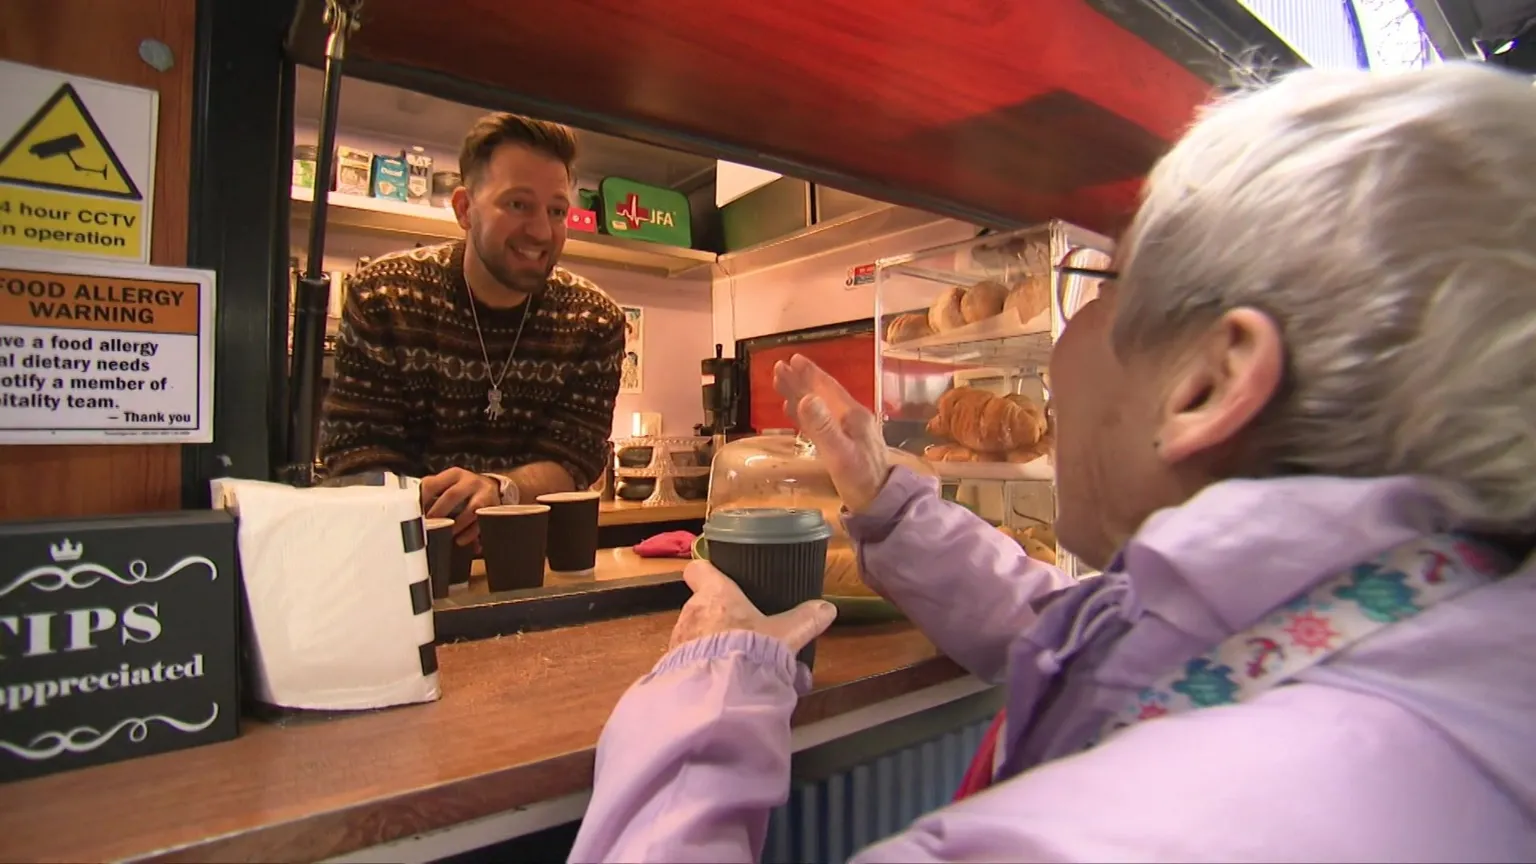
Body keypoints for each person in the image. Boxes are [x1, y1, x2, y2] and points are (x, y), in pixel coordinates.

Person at [569, 63, 1536, 861]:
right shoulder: (1421, 635)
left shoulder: (1080, 841)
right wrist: (893, 504)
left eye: (1102, 283)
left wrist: (706, 690)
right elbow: (1094, 636)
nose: (1064, 347)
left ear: (1208, 383)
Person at [318, 113, 624, 548]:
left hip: (530, 562)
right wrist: (435, 503)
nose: (541, 231)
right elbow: (353, 453)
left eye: (557, 211)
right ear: (464, 209)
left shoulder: (593, 320)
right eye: (518, 204)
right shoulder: (386, 295)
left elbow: (574, 457)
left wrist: (501, 489)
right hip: (397, 554)